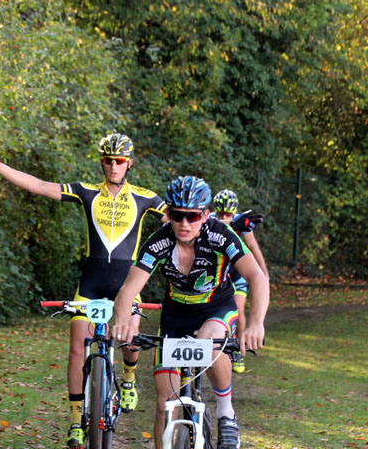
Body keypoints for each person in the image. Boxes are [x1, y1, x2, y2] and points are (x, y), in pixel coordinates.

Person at [0, 134, 167, 448]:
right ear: (101, 162)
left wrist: (227, 223)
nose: (113, 166)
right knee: (78, 348)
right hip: (91, 284)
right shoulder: (86, 192)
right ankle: (77, 422)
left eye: (119, 161)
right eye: (107, 160)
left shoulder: (145, 197)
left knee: (131, 331)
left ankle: (128, 380)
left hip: (124, 285)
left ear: (129, 163)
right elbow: (38, 184)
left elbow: (188, 217)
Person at [111, 176, 269, 449]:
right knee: (164, 404)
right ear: (169, 214)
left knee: (208, 342)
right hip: (175, 314)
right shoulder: (159, 241)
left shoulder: (220, 234)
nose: (184, 223)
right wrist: (124, 322)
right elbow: (127, 291)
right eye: (177, 215)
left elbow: (257, 276)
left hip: (216, 306)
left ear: (205, 215)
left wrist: (256, 323)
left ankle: (225, 413)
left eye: (193, 216)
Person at [212, 189, 269, 373]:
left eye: (228, 214)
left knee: (237, 309)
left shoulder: (240, 221)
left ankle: (237, 350)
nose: (224, 217)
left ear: (234, 212)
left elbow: (252, 246)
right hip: (219, 271)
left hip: (238, 272)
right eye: (220, 213)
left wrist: (263, 271)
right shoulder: (208, 218)